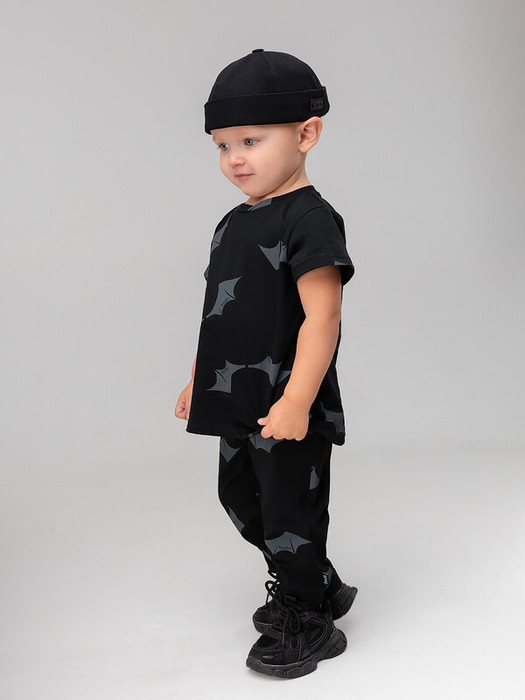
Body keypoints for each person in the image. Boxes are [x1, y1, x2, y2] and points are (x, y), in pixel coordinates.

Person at [175, 48, 358, 679]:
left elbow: (322, 318)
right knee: (239, 498)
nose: (235, 159)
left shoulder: (311, 220)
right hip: (236, 398)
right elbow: (220, 314)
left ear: (306, 135)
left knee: (288, 510)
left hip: (285, 401)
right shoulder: (231, 224)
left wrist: (298, 400)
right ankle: (318, 582)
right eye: (223, 146)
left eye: (251, 141)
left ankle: (307, 618)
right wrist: (197, 380)